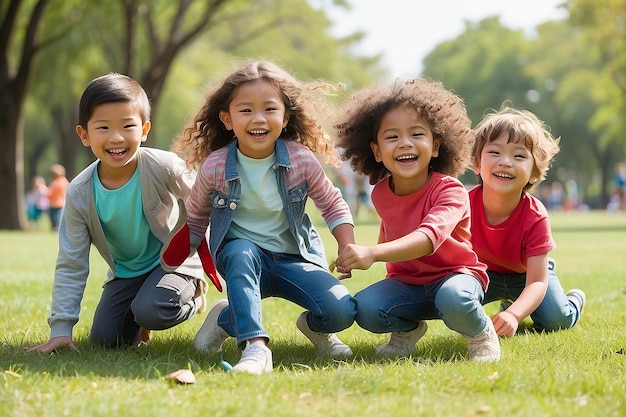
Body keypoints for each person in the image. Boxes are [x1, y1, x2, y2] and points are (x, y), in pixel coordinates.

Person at [169, 61, 357, 374]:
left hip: (294, 259)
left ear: (285, 117)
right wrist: (175, 259)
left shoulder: (300, 160)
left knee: (341, 311)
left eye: (269, 108)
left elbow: (332, 202)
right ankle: (255, 349)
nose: (258, 118)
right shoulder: (216, 166)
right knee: (241, 250)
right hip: (242, 259)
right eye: (246, 110)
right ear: (227, 119)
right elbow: (197, 219)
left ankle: (307, 327)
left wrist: (348, 244)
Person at [26, 73, 208, 353]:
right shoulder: (79, 193)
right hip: (127, 274)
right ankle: (142, 309)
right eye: (103, 128)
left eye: (127, 126)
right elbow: (71, 263)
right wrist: (61, 329)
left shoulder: (164, 167)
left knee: (154, 308)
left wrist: (208, 259)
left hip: (172, 264)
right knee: (105, 340)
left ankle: (192, 295)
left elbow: (205, 200)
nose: (116, 137)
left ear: (144, 129)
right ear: (84, 134)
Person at [334, 78, 500, 362]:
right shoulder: (381, 193)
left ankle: (480, 333)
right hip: (407, 283)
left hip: (455, 277)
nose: (405, 143)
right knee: (366, 308)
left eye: (416, 134)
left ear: (435, 146)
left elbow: (427, 239)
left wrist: (371, 254)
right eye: (392, 136)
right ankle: (408, 329)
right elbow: (391, 233)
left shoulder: (450, 190)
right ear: (376, 151)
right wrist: (356, 259)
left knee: (454, 298)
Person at [470, 106, 585, 337]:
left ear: (534, 172)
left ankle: (573, 302)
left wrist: (514, 315)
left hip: (528, 274)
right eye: (494, 152)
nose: (505, 162)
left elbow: (537, 282)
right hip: (483, 274)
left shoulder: (535, 215)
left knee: (555, 320)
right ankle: (509, 303)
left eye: (519, 155)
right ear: (476, 163)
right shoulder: (462, 205)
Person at [47, 164, 69, 230]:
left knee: (56, 219)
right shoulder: (65, 181)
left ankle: (56, 229)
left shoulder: (56, 183)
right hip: (61, 204)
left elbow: (50, 194)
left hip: (57, 204)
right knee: (56, 219)